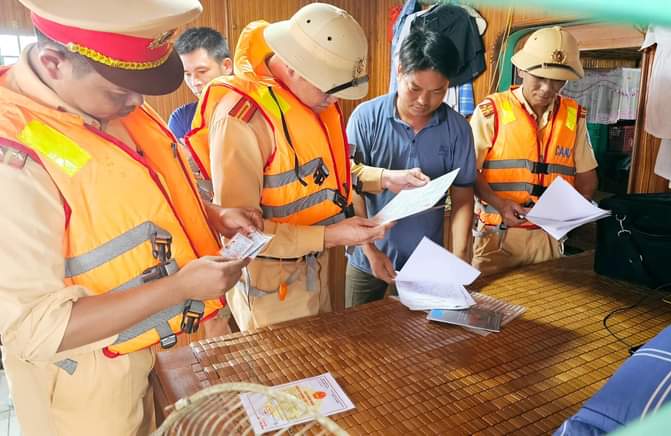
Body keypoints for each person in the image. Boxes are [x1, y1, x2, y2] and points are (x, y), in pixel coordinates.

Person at [0, 0, 263, 434]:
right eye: (119, 89)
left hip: (169, 351)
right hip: (90, 389)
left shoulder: (113, 99)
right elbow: (34, 330)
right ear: (53, 62)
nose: (137, 100)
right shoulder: (13, 160)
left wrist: (212, 215)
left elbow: (129, 200)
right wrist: (178, 287)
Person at [186, 3, 427, 330]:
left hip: (320, 267)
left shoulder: (313, 101)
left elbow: (323, 175)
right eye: (329, 90)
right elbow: (241, 236)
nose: (334, 101)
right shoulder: (241, 120)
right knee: (286, 379)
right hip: (274, 288)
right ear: (294, 66)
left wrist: (384, 178)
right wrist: (331, 235)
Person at [345, 28, 477, 307]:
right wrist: (369, 251)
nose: (423, 101)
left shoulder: (458, 130)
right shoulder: (365, 118)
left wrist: (460, 255)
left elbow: (464, 197)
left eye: (437, 91)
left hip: (425, 262)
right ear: (400, 70)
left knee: (416, 345)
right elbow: (351, 188)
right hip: (367, 258)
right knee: (356, 341)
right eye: (415, 88)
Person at [470, 26, 599, 275]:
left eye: (557, 80)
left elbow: (587, 179)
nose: (547, 88)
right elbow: (468, 173)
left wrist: (568, 216)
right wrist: (499, 204)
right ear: (521, 70)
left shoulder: (574, 116)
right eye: (539, 77)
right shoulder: (491, 111)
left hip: (548, 241)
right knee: (488, 308)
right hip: (497, 239)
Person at [168, 27, 233, 142]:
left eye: (202, 71)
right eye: (187, 74)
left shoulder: (255, 109)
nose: (194, 82)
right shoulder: (181, 118)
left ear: (226, 66)